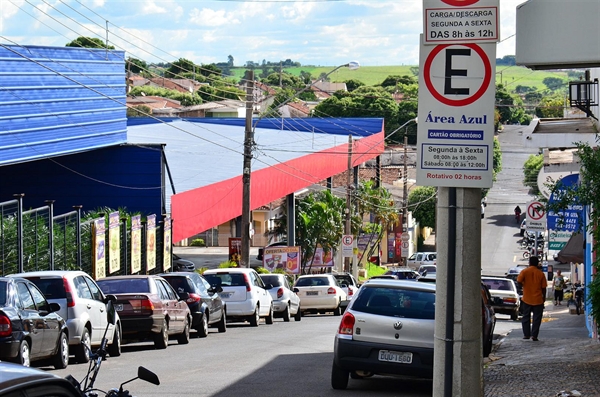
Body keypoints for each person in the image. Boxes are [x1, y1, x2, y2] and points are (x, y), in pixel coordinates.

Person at [517, 256, 547, 341]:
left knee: (526, 316)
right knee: (537, 318)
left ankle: (526, 334)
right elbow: (544, 288)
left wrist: (523, 287)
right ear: (537, 263)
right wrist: (543, 298)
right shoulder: (541, 274)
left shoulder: (525, 271)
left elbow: (519, 281)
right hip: (538, 299)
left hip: (526, 298)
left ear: (529, 263)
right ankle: (534, 335)